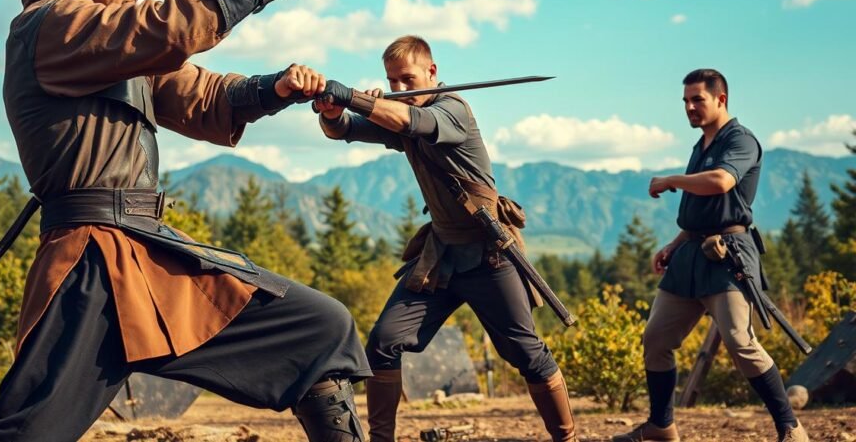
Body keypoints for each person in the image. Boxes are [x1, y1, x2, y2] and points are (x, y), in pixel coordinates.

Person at [0, 0, 370, 442]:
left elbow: (203, 95)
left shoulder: (116, 47)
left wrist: (276, 88)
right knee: (21, 436)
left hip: (150, 255)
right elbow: (163, 29)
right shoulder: (51, 26)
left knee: (319, 328)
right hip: (89, 267)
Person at [313, 35, 577, 442]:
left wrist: (354, 97)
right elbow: (344, 130)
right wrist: (331, 111)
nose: (400, 88)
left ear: (431, 73)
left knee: (527, 354)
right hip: (441, 257)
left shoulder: (453, 109)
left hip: (491, 254)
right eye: (392, 81)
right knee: (384, 343)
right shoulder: (400, 111)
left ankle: (567, 438)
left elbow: (410, 123)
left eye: (408, 79)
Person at [612, 69, 807, 442]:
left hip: (727, 255)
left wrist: (671, 180)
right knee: (655, 339)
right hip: (689, 254)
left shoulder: (741, 140)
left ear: (721, 99)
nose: (689, 107)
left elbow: (721, 182)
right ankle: (661, 427)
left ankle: (790, 428)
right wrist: (674, 243)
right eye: (685, 101)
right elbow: (702, 210)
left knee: (739, 342)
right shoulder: (700, 145)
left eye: (697, 99)